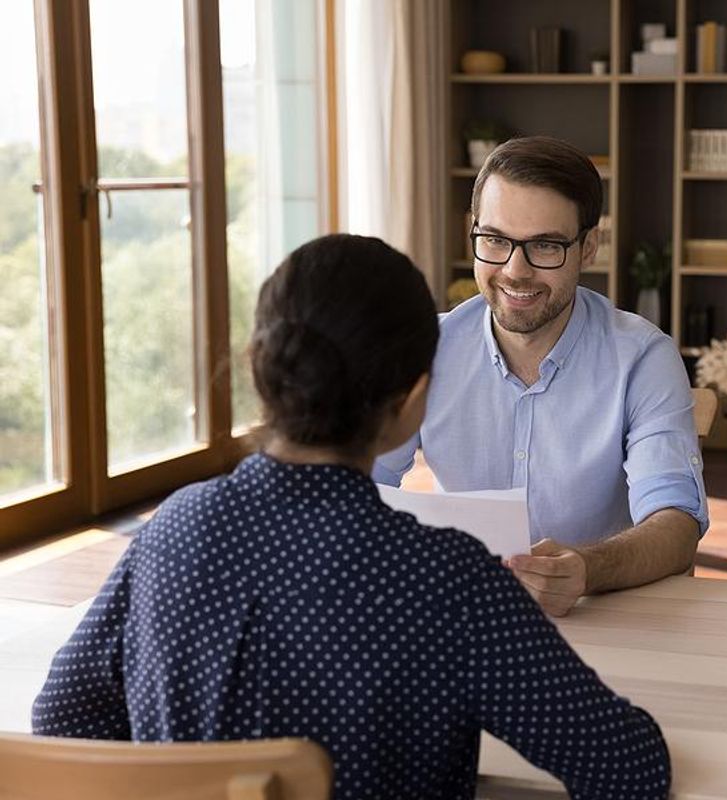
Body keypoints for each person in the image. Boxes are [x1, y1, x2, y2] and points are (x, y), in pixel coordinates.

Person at [31, 234, 671, 799]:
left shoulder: (173, 529)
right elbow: (629, 770)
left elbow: (62, 716)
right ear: (415, 398)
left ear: (260, 369)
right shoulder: (447, 580)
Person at [373, 136, 708, 616]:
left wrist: (587, 568)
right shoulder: (423, 349)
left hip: (603, 614)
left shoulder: (642, 358)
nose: (515, 270)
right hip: (464, 616)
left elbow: (676, 525)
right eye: (495, 240)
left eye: (545, 245)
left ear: (588, 246)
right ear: (473, 233)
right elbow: (363, 484)